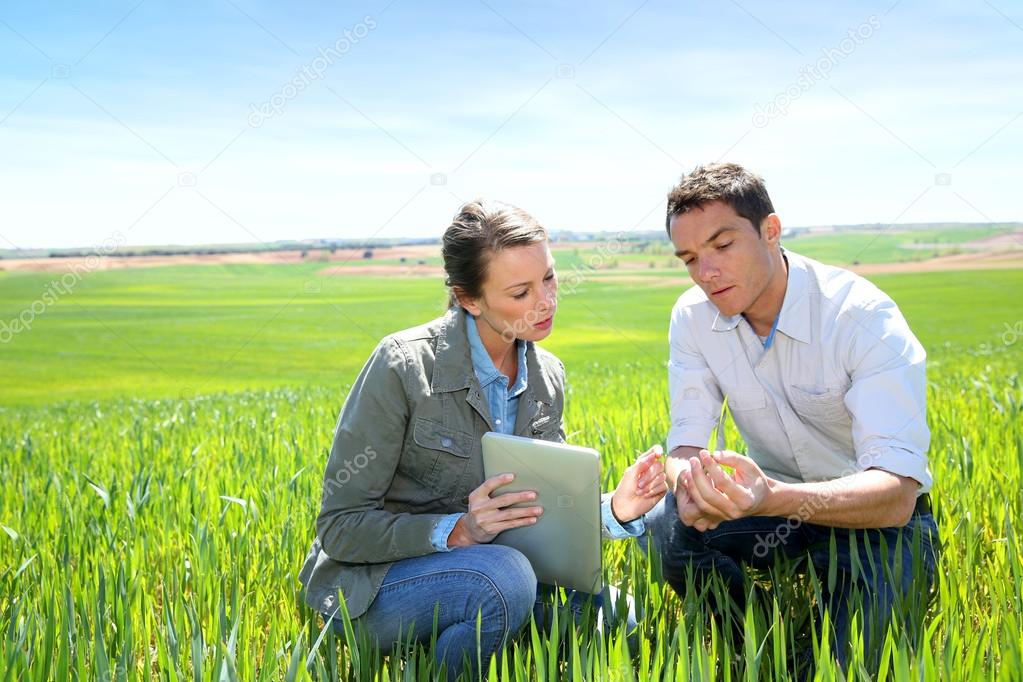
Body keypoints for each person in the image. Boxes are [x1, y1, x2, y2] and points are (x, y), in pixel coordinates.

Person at [299, 199, 666, 680]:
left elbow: (540, 513)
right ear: (469, 298)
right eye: (521, 292)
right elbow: (341, 526)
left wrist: (615, 510)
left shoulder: (547, 376)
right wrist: (458, 531)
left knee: (619, 615)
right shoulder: (403, 366)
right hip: (376, 587)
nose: (547, 301)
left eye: (549, 279)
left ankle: (467, 646)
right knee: (505, 578)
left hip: (493, 573)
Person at [645, 163, 940, 672]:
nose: (705, 272)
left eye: (722, 245)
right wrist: (695, 486)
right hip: (771, 509)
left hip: (872, 519)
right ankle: (758, 638)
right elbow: (684, 444)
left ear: (771, 231)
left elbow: (896, 493)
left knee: (848, 667)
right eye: (690, 258)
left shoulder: (861, 316)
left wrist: (772, 496)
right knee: (665, 523)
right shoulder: (693, 316)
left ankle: (813, 650)